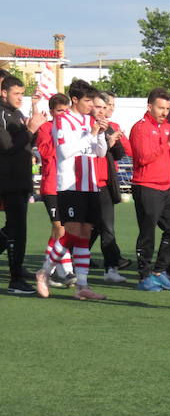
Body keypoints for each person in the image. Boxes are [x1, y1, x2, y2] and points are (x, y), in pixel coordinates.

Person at [36, 80, 109, 300]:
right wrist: (90, 134)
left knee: (85, 234)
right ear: (75, 100)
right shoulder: (63, 120)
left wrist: (99, 134)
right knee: (73, 232)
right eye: (87, 101)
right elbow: (65, 151)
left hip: (90, 184)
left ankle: (82, 285)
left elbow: (101, 153)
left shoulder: (90, 120)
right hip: (69, 184)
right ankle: (44, 271)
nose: (91, 105)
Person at [130, 88, 170, 292]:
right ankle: (144, 276)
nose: (165, 112)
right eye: (161, 108)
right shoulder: (140, 128)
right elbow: (143, 158)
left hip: (165, 186)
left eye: (167, 108)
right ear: (149, 106)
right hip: (146, 186)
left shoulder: (168, 126)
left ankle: (159, 271)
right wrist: (166, 145)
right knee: (147, 232)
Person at [0, 76, 46, 294]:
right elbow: (7, 147)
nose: (20, 98)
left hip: (21, 179)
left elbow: (27, 144)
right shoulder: (1, 114)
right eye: (16, 93)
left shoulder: (16, 114)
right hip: (8, 180)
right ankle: (15, 279)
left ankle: (17, 272)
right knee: (17, 230)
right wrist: (29, 130)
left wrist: (32, 130)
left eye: (21, 93)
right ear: (3, 93)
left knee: (16, 230)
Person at [89, 91, 131, 283]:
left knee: (105, 228)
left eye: (107, 107)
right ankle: (62, 261)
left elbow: (120, 153)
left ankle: (111, 268)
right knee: (86, 228)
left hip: (104, 183)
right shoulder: (85, 125)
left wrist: (113, 141)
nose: (105, 111)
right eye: (101, 107)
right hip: (85, 184)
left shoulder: (109, 126)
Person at [35, 93, 76, 287]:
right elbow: (47, 152)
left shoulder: (72, 127)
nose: (63, 114)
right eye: (60, 111)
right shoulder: (45, 128)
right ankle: (66, 271)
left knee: (60, 230)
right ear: (52, 112)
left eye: (66, 111)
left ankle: (46, 270)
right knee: (60, 228)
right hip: (51, 185)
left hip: (68, 184)